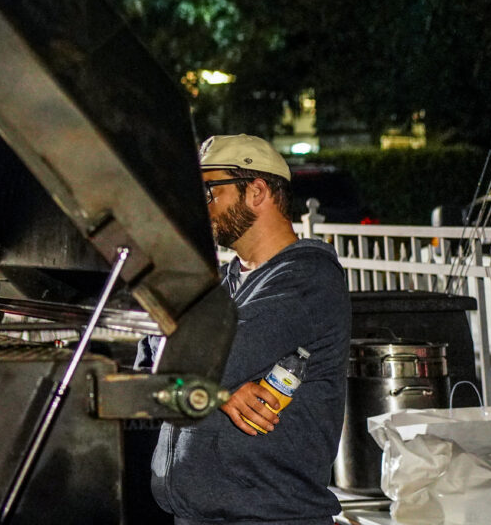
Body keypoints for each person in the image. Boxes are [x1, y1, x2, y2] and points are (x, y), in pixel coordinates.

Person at [148, 135, 349, 525]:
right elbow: (146, 361)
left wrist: (202, 377)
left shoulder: (306, 277)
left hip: (270, 516)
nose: (197, 208)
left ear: (257, 191)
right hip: (196, 514)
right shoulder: (219, 285)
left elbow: (212, 355)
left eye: (208, 191)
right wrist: (220, 390)